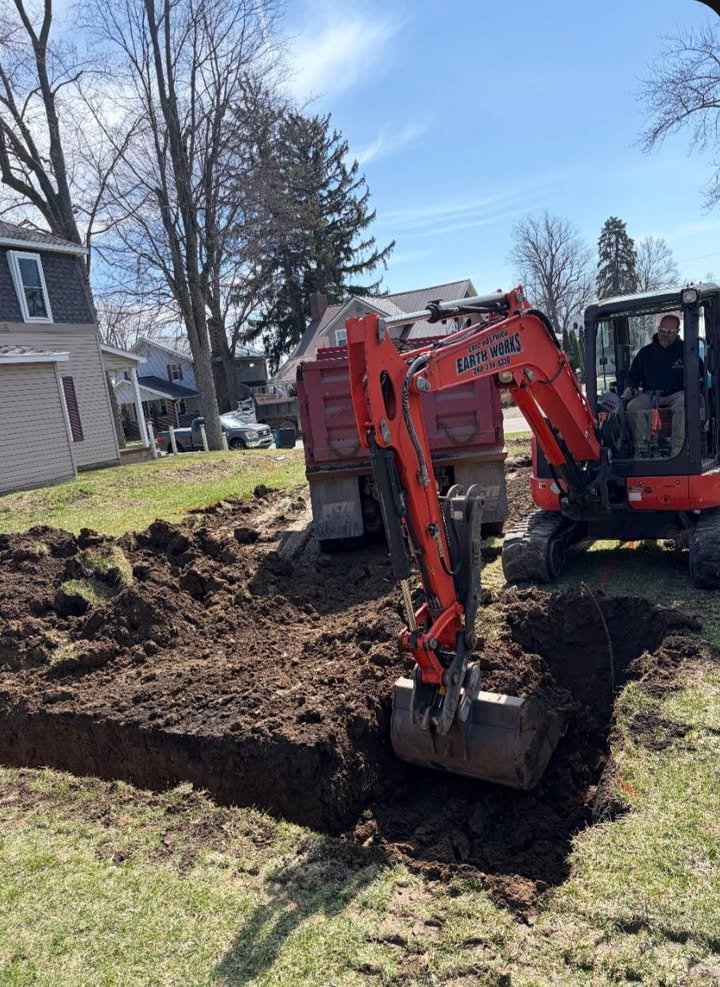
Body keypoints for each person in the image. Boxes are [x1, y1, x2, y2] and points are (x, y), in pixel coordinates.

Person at [622, 314, 685, 457]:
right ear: (658, 329)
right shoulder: (646, 353)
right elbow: (633, 376)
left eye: (670, 332)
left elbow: (699, 372)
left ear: (677, 332)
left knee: (683, 402)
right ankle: (643, 449)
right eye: (663, 331)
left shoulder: (686, 350)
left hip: (676, 394)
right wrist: (630, 387)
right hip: (651, 394)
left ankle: (678, 450)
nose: (665, 335)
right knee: (634, 406)